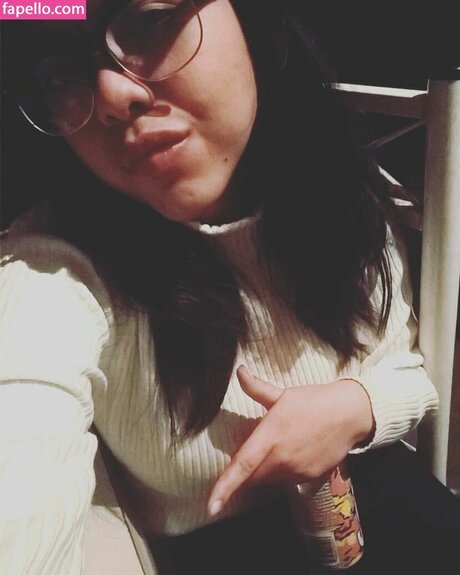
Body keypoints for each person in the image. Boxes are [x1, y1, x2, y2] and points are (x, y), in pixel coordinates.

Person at [1, 1, 459, 574]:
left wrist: (354, 408)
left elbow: (407, 369)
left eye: (148, 20)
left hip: (376, 502)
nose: (114, 95)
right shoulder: (49, 271)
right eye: (60, 71)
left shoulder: (343, 201)